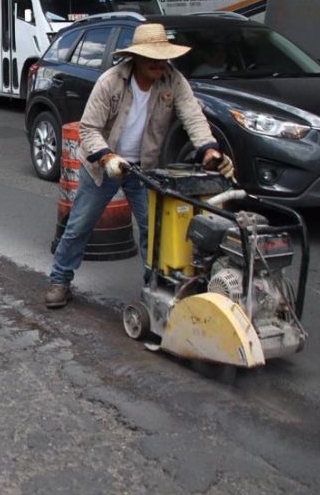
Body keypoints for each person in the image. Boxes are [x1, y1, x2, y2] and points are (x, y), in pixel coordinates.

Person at [45, 23, 234, 309]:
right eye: (151, 58)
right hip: (102, 164)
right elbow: (88, 129)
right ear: (137, 57)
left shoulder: (173, 80)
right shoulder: (111, 81)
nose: (158, 63)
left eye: (162, 58)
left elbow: (193, 116)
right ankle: (60, 280)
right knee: (79, 226)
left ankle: (153, 290)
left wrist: (209, 149)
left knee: (153, 229)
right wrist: (108, 158)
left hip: (143, 169)